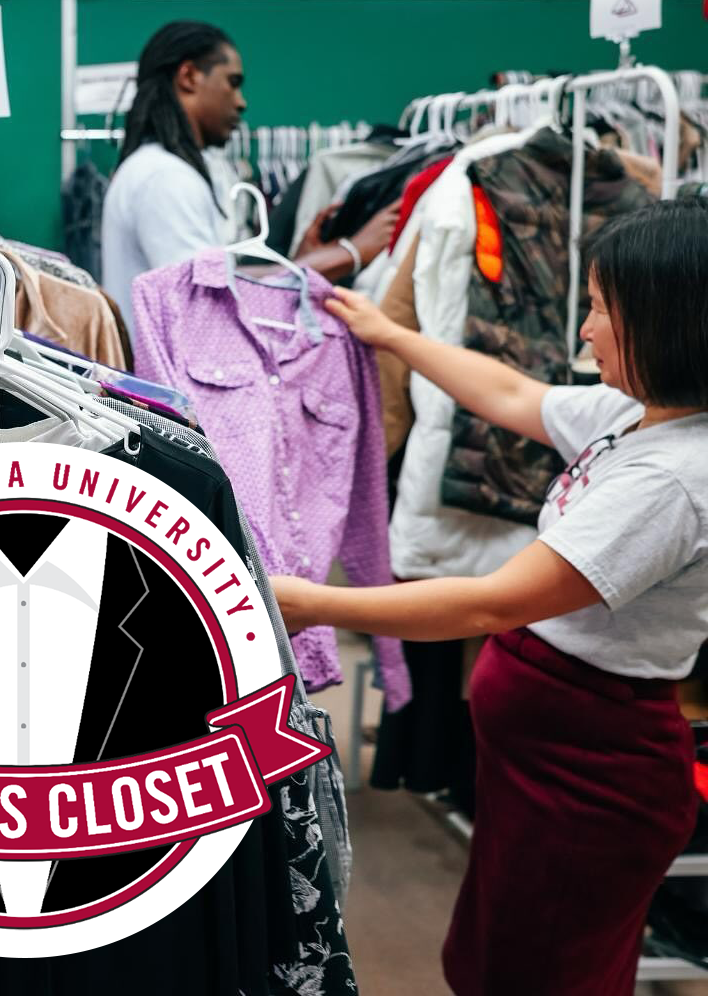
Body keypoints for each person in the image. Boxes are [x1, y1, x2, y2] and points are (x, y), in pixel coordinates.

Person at [271, 197, 708, 995]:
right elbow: (510, 394)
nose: (583, 330)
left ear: (669, 323)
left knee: (538, 977)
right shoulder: (637, 417)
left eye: (602, 310)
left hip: (592, 787)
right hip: (545, 769)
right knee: (497, 964)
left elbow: (489, 604)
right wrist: (393, 335)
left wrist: (308, 602)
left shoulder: (674, 480)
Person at [101, 20, 399, 337]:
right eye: (232, 82)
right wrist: (348, 254)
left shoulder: (156, 168)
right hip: (159, 381)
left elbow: (213, 278)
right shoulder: (165, 177)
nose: (241, 101)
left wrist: (297, 264)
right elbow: (207, 298)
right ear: (188, 77)